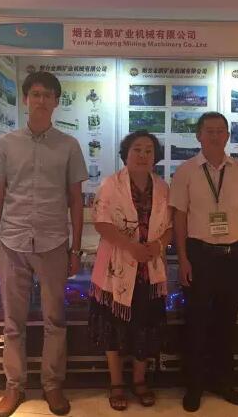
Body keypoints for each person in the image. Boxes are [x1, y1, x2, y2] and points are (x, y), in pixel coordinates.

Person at [0, 71, 88, 417]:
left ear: (56, 102)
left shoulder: (69, 146)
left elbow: (76, 201)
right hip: (12, 241)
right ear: (25, 99)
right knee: (12, 322)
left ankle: (52, 384)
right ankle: (14, 386)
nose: (41, 100)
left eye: (48, 95)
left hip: (53, 242)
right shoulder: (5, 144)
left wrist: (76, 249)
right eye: (35, 94)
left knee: (54, 320)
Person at [170, 112, 238, 412]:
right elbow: (179, 218)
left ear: (228, 136)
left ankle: (224, 382)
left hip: (233, 256)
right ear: (198, 135)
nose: (215, 135)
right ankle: (194, 385)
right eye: (209, 130)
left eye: (220, 130)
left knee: (226, 323)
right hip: (199, 255)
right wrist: (183, 259)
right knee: (196, 322)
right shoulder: (185, 171)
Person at [89, 130, 172, 411]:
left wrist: (158, 245)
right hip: (116, 268)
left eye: (149, 150)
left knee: (146, 326)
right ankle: (116, 383)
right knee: (114, 328)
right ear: (126, 153)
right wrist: (130, 247)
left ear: (155, 157)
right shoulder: (110, 185)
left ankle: (139, 380)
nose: (143, 155)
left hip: (149, 268)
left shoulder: (163, 188)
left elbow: (171, 226)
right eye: (137, 149)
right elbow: (101, 223)